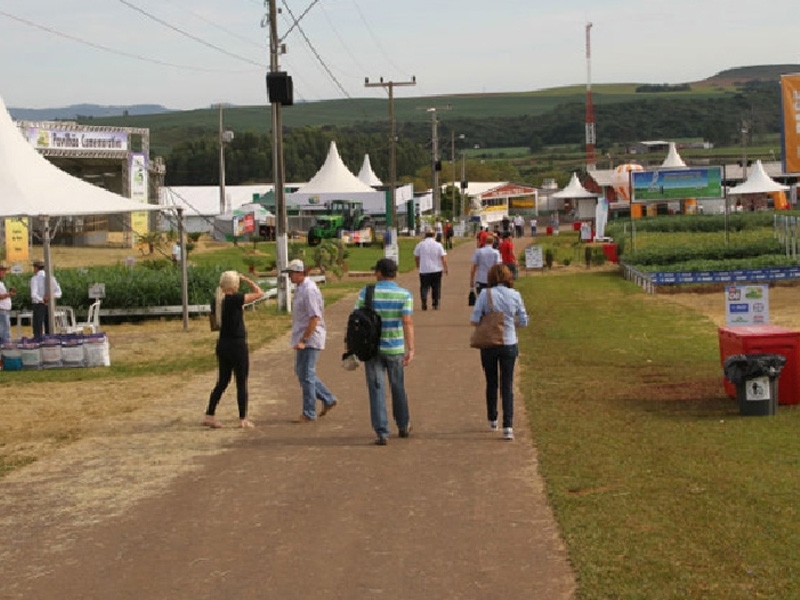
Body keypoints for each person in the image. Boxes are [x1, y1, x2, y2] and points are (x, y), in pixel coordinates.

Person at [353, 258, 414, 445]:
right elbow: (407, 322)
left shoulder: (367, 292)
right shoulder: (404, 295)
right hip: (394, 346)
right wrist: (410, 348)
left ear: (379, 272)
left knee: (376, 388)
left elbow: (356, 318)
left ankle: (382, 431)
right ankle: (403, 424)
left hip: (371, 347)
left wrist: (351, 343)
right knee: (397, 385)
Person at [470, 264, 528, 440]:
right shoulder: (515, 295)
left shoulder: (484, 295)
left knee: (491, 381)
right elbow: (524, 320)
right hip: (509, 342)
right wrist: (512, 323)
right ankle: (508, 426)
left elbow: (474, 320)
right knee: (507, 384)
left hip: (489, 343)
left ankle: (493, 418)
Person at [203, 271, 263, 429]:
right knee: (241, 381)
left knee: (222, 381)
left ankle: (209, 414)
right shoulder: (235, 299)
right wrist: (247, 280)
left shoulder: (217, 300)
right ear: (235, 285)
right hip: (237, 344)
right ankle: (243, 417)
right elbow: (259, 293)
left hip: (223, 343)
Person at [285, 258, 337, 422]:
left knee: (306, 373)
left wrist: (304, 339)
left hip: (310, 338)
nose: (289, 277)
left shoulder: (309, 290)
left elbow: (315, 317)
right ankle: (327, 398)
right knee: (302, 372)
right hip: (303, 336)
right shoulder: (301, 288)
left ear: (300, 273)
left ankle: (309, 412)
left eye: (291, 273)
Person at [413, 231, 448, 311]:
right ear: (434, 235)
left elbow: (416, 256)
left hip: (424, 269)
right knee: (436, 286)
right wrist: (445, 267)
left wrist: (418, 265)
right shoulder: (438, 245)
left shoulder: (420, 244)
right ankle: (435, 303)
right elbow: (443, 258)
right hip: (436, 269)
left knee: (424, 287)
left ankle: (424, 301)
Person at [30, 259, 62, 339]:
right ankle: (50, 341)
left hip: (39, 305)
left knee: (38, 326)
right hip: (49, 304)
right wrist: (51, 297)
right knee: (49, 326)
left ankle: (38, 341)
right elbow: (59, 293)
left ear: (36, 268)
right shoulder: (51, 278)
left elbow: (33, 294)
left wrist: (42, 299)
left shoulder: (35, 278)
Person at [0, 263, 16, 343]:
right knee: (5, 334)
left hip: (3, 311)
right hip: (2, 311)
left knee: (4, 332)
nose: (5, 273)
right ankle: (6, 351)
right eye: (3, 270)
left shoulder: (1, 283)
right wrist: (9, 294)